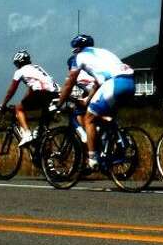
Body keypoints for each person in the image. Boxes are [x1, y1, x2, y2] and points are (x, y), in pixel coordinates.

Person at [55, 34, 136, 170]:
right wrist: (87, 99)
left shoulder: (79, 57)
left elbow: (69, 84)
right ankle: (116, 145)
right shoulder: (103, 53)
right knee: (104, 117)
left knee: (89, 118)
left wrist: (58, 104)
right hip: (130, 82)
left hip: (114, 83)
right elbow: (97, 83)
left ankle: (92, 158)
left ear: (77, 49)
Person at [0, 50, 59, 147]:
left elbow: (11, 90)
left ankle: (26, 134)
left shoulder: (20, 71)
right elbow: (31, 89)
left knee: (19, 108)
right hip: (56, 94)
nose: (16, 66)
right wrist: (23, 101)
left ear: (19, 62)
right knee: (42, 132)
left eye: (16, 63)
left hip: (41, 92)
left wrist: (3, 104)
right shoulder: (37, 68)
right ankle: (48, 159)